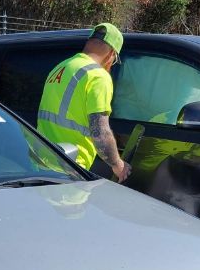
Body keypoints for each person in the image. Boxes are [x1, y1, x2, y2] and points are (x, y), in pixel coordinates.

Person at [37, 23, 131, 183]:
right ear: (112, 54)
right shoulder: (98, 76)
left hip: (40, 162)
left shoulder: (62, 67)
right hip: (70, 169)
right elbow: (100, 132)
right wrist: (118, 164)